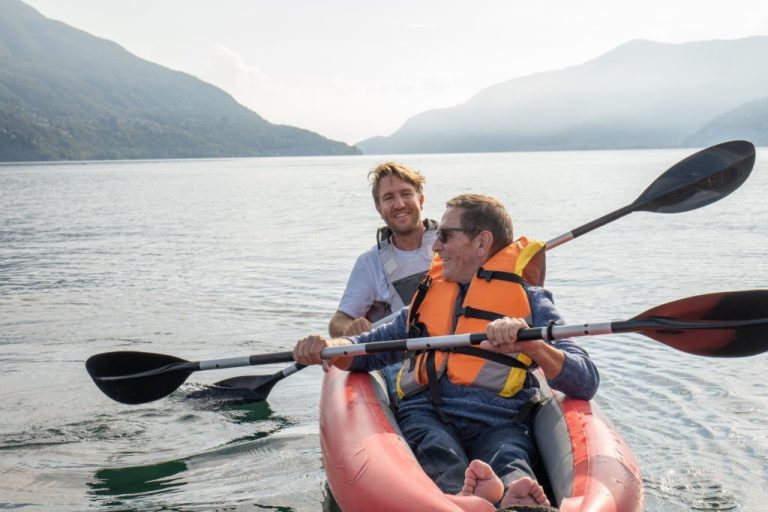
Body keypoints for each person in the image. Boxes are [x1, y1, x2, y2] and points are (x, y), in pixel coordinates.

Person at [294, 194, 599, 509]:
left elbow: (585, 379)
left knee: (510, 456)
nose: (435, 246)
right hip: (428, 413)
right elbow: (374, 347)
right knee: (436, 447)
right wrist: (331, 347)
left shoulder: (531, 300)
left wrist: (533, 345)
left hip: (501, 420)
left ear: (482, 242)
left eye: (445, 235)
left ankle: (515, 497)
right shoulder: (428, 298)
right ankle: (472, 499)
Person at [328, 161, 437, 337]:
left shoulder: (452, 243)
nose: (399, 204)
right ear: (379, 209)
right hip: (401, 359)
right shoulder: (370, 262)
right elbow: (338, 322)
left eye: (406, 194)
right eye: (388, 198)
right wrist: (350, 327)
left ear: (421, 200)